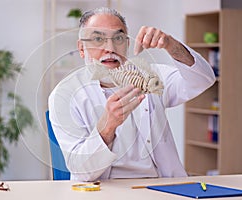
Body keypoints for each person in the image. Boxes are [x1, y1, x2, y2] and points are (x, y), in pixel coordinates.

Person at [48, 7, 216, 181]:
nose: (110, 48)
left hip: (161, 187)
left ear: (127, 44)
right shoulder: (65, 95)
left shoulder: (149, 76)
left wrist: (170, 45)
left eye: (118, 38)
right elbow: (81, 171)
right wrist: (107, 127)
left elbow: (203, 79)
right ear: (81, 48)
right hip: (103, 191)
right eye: (98, 39)